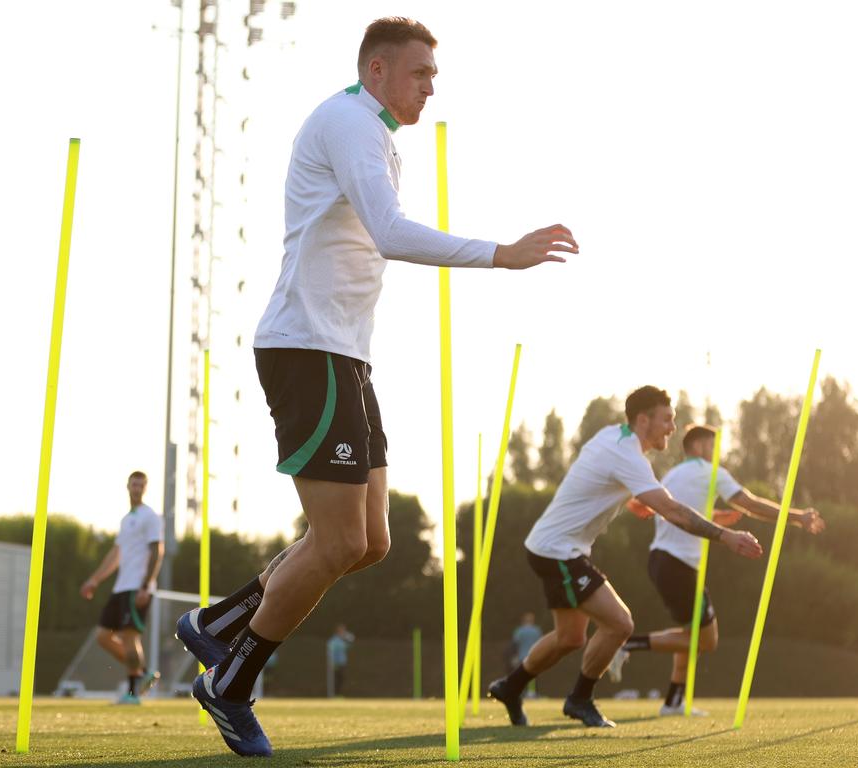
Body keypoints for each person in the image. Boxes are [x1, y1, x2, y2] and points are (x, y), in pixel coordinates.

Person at [175, 16, 579, 758]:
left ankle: (223, 623)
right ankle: (228, 680)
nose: (431, 86)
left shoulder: (375, 132)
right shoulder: (349, 121)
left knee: (371, 544)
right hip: (307, 349)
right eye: (420, 72)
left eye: (433, 74)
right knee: (337, 542)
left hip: (345, 356)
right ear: (377, 71)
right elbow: (391, 233)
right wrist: (502, 254)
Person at [488, 387, 763, 729]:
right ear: (643, 419)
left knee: (571, 638)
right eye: (667, 419)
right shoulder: (627, 454)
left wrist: (638, 500)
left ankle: (510, 687)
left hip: (551, 547)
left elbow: (613, 484)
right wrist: (726, 536)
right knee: (620, 623)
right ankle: (579, 699)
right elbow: (672, 510)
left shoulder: (613, 439)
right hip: (558, 551)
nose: (672, 428)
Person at [608, 424, 825, 715]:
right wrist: (798, 516)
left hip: (661, 561)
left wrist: (713, 516)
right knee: (707, 640)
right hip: (679, 565)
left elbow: (675, 512)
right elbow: (749, 503)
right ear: (697, 447)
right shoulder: (710, 473)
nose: (716, 452)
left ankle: (673, 701)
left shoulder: (672, 475)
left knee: (691, 634)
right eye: (712, 445)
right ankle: (627, 645)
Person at [79, 471, 163, 704]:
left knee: (129, 637)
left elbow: (158, 551)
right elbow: (116, 555)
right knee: (103, 636)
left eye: (141, 485)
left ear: (145, 488)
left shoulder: (150, 517)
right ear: (127, 486)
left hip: (137, 586)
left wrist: (146, 586)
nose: (136, 488)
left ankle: (133, 693)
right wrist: (94, 580)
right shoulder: (127, 519)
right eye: (133, 484)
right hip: (120, 587)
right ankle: (144, 672)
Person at [511, 613, 543, 697]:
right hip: (534, 655)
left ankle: (521, 692)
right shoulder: (537, 630)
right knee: (533, 674)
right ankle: (532, 692)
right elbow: (541, 643)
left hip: (522, 656)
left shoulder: (519, 630)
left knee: (522, 674)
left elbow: (515, 644)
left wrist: (514, 656)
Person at [326, 624, 355, 697]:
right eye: (342, 631)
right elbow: (330, 652)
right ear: (338, 631)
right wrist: (332, 663)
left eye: (344, 631)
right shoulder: (334, 641)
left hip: (342, 664)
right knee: (336, 680)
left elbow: (352, 639)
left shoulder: (343, 641)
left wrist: (346, 635)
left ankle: (338, 694)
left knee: (341, 679)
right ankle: (335, 695)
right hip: (335, 664)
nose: (343, 632)